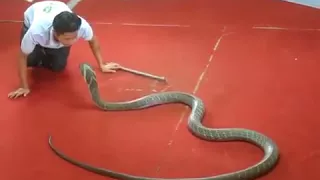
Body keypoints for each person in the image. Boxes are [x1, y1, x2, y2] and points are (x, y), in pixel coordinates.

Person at [8, 1, 120, 99]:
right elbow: (22, 56)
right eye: (68, 39)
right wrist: (24, 86)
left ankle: (47, 49)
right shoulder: (36, 31)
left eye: (74, 37)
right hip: (34, 15)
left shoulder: (82, 26)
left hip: (57, 13)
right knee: (30, 61)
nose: (72, 41)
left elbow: (93, 40)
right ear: (56, 33)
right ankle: (39, 48)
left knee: (58, 67)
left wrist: (102, 64)